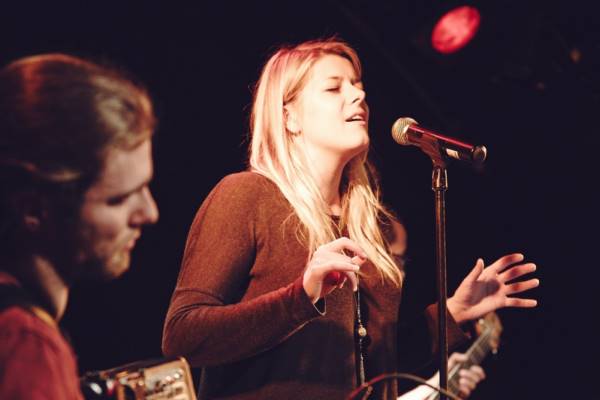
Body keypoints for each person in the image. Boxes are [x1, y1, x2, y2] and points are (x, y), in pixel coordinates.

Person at [162, 38, 538, 400]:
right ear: (289, 117)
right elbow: (182, 336)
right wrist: (302, 295)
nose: (358, 95)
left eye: (357, 85)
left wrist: (454, 312)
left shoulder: (367, 226)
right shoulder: (247, 195)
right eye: (333, 88)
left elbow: (367, 364)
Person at [0, 53, 159, 399]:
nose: (149, 213)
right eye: (119, 199)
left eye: (146, 188)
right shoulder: (25, 346)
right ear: (34, 210)